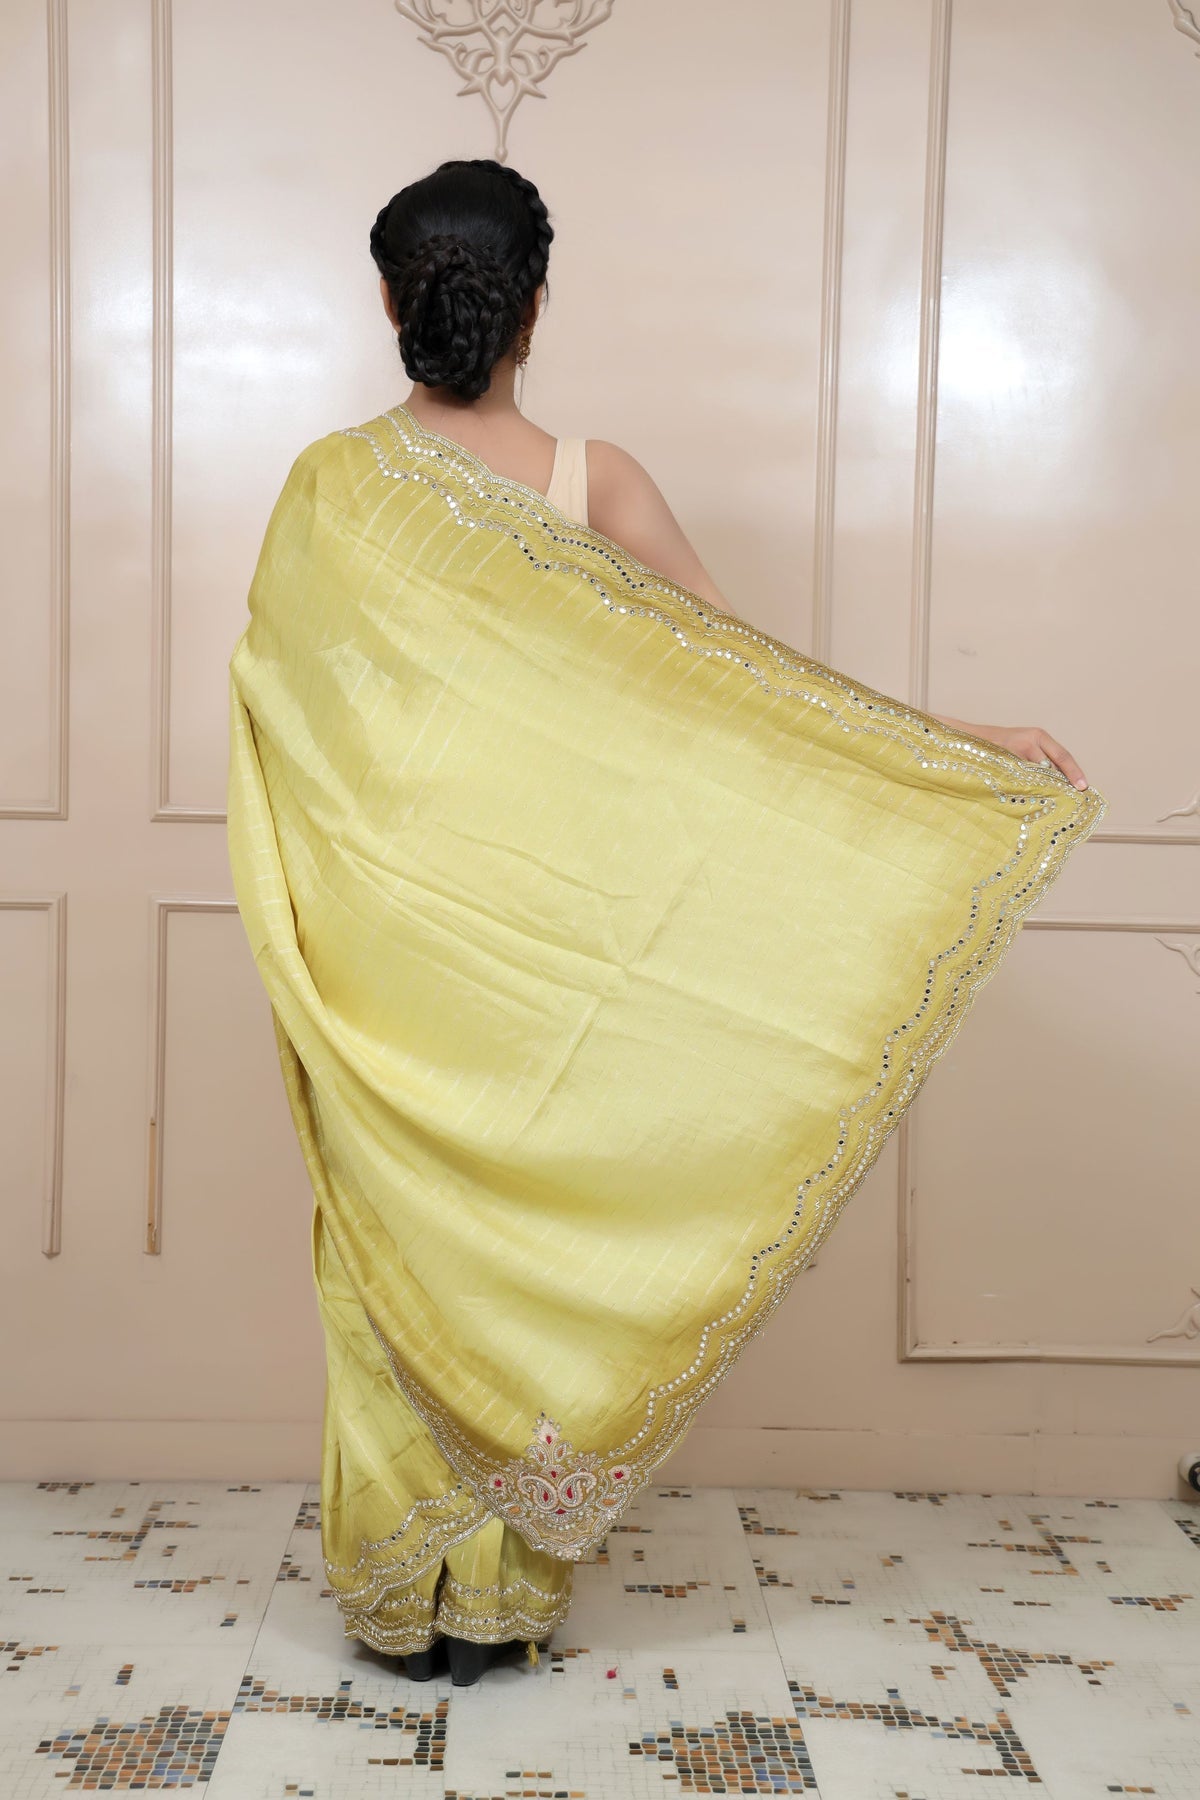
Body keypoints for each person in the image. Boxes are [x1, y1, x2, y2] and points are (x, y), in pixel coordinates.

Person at [226, 158, 1105, 1689]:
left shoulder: (331, 488)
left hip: (400, 969)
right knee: (529, 1267)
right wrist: (962, 748)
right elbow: (760, 696)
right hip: (550, 976)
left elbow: (294, 722)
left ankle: (406, 1598)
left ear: (389, 301)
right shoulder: (596, 480)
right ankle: (499, 1608)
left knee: (393, 1266)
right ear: (535, 307)